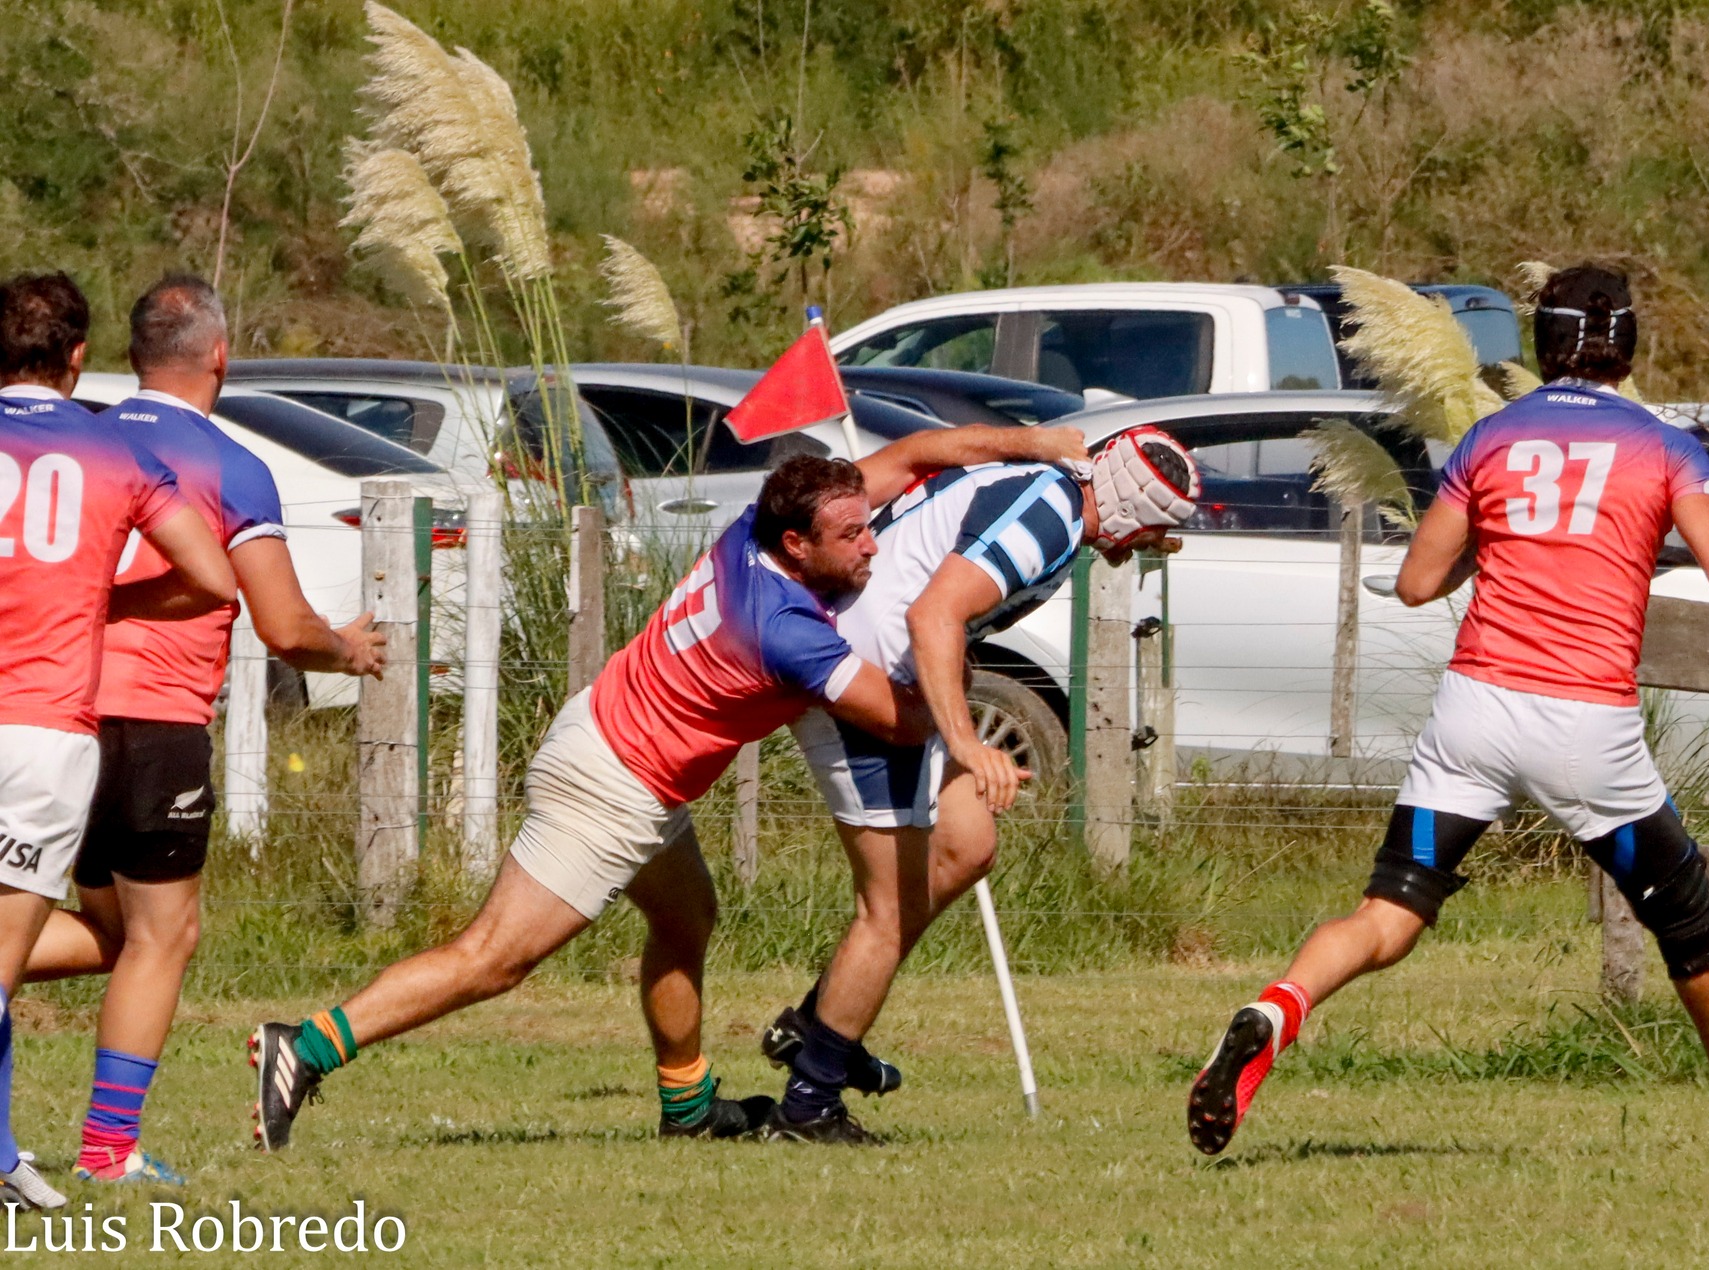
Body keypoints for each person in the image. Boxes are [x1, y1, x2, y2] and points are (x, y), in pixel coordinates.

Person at [248, 422, 1086, 1152]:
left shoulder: (760, 530)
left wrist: (1037, 444)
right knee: (494, 960)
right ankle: (308, 1047)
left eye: (869, 527)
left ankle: (688, 1107)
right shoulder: (785, 628)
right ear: (799, 546)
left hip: (620, 750)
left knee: (687, 917)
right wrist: (963, 679)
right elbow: (901, 723)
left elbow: (917, 452)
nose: (873, 544)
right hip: (609, 787)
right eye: (853, 537)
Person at [1187, 264, 1709, 1160]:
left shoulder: (1491, 440)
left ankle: (1276, 1006)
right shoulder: (1662, 445)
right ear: (1629, 345)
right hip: (1584, 722)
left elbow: (1417, 582)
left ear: (1543, 344)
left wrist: (1493, 548)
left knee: (1389, 913)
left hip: (1474, 713)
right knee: (1688, 918)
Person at [16, 275, 387, 1186]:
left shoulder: (85, 434)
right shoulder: (231, 464)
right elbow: (285, 625)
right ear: (220, 356)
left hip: (55, 706)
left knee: (108, 931)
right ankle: (108, 1151)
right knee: (162, 938)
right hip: (154, 723)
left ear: (126, 356)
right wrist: (350, 651)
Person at [762, 426, 1201, 1143]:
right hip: (864, 677)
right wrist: (969, 744)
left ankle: (818, 1024)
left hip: (893, 670)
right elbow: (932, 615)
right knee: (892, 907)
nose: (1144, 548)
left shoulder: (1053, 495)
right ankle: (810, 1100)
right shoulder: (1049, 521)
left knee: (967, 847)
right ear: (1132, 517)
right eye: (1153, 532)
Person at [0, 272, 237, 1209]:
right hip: (43, 731)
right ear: (78, 358)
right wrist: (103, 598)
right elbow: (213, 577)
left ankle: (9, 1154)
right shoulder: (111, 454)